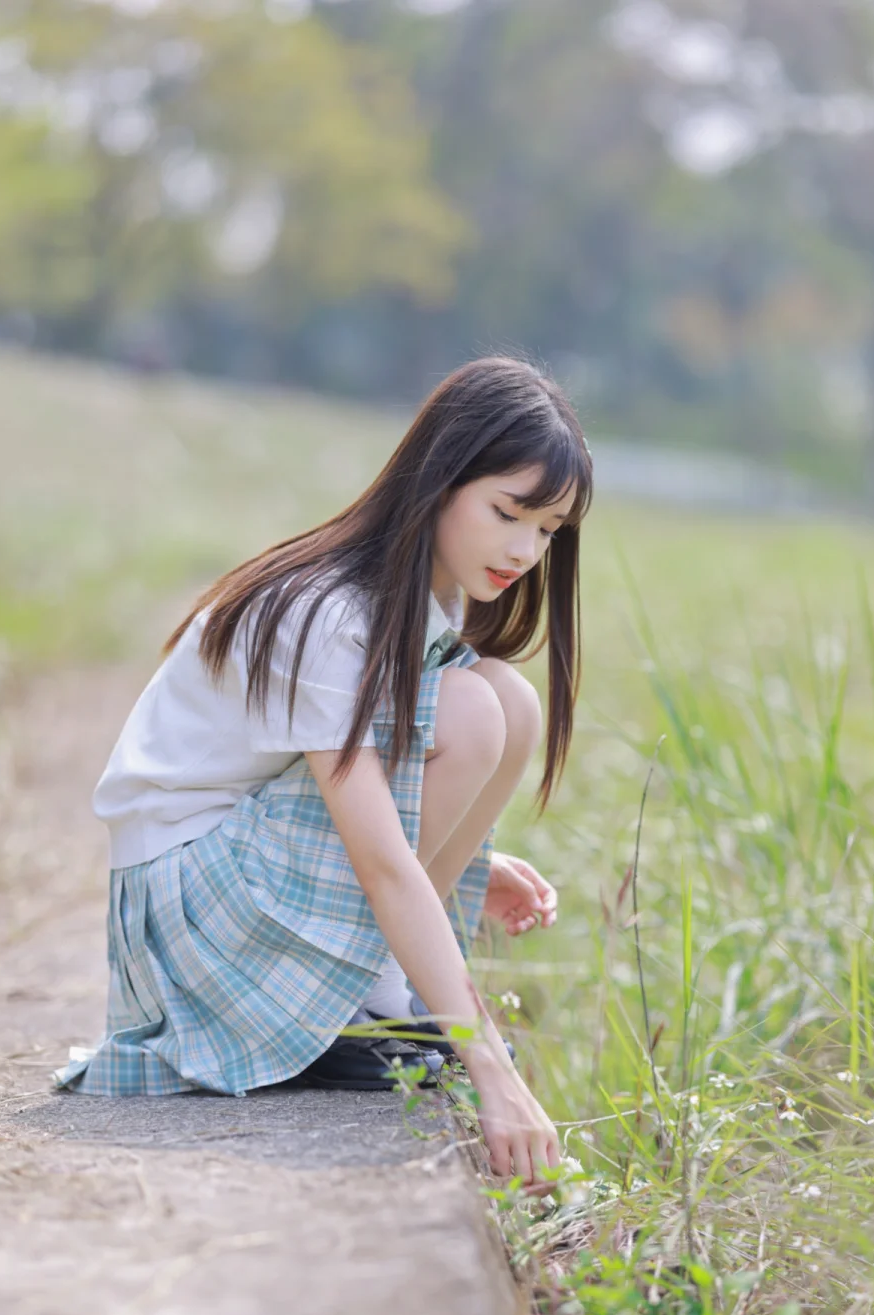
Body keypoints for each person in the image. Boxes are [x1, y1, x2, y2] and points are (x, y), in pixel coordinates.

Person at [55, 355, 593, 1192]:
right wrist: (491, 1069)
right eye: (508, 512)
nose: (526, 550)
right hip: (189, 917)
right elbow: (379, 859)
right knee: (474, 710)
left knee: (508, 700)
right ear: (441, 478)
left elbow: (390, 813)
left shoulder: (430, 600)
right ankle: (374, 1000)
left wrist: (464, 857)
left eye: (549, 529)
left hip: (247, 880)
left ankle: (375, 997)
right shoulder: (331, 609)